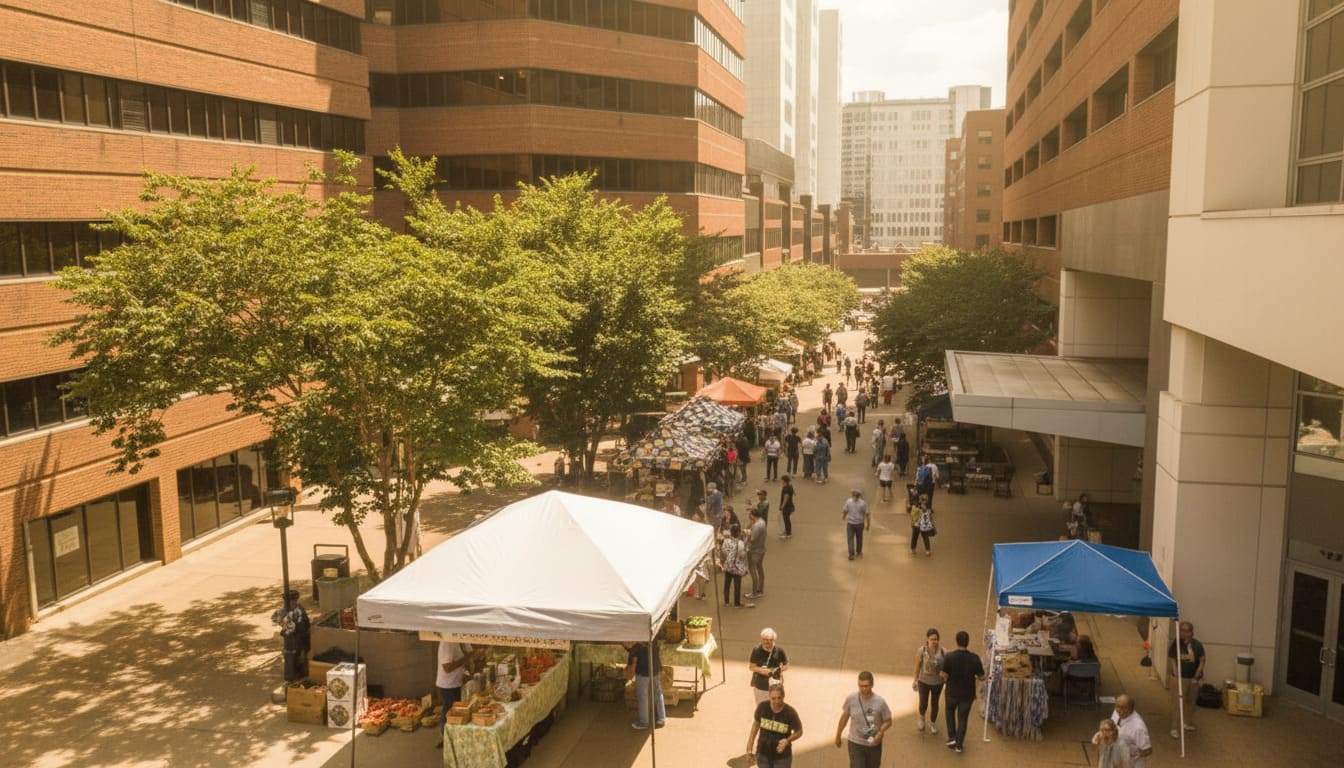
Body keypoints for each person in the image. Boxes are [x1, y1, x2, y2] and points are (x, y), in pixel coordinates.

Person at [835, 671, 892, 768]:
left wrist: (881, 732)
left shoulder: (880, 702)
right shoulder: (851, 699)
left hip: (874, 744)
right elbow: (844, 717)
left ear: (872, 685)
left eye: (866, 686)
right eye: (860, 686)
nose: (863, 689)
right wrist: (838, 735)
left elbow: (888, 721)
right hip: (855, 742)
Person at [940, 630, 985, 754]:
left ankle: (952, 737)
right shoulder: (975, 658)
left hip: (951, 692)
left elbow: (943, 674)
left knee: (949, 714)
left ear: (957, 641)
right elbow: (981, 676)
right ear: (968, 642)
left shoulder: (949, 657)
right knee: (963, 719)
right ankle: (959, 745)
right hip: (967, 695)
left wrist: (946, 679)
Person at [435, 640, 482, 744]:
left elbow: (470, 653)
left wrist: (476, 656)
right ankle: (445, 738)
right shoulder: (447, 642)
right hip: (448, 684)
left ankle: (454, 737)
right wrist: (466, 659)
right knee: (449, 711)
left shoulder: (462, 637)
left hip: (457, 682)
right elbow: (447, 667)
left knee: (458, 712)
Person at [746, 683, 802, 768]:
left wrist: (787, 741)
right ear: (769, 696)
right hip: (762, 755)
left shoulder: (790, 712)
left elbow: (799, 731)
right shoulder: (762, 707)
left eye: (779, 698)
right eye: (773, 698)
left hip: (782, 759)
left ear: (784, 696)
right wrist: (749, 748)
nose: (777, 701)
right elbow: (755, 726)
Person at [1168, 621, 1205, 739]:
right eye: (1182, 630)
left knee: (1191, 702)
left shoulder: (1197, 645)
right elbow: (1172, 659)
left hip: (1193, 679)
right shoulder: (1176, 644)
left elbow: (1202, 661)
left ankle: (1187, 723)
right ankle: (1174, 728)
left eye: (1187, 631)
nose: (1184, 633)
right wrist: (1176, 674)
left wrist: (1196, 676)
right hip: (1179, 678)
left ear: (1192, 632)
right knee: (1177, 703)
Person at [625, 640, 666, 730]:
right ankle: (662, 718)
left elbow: (629, 669)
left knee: (642, 696)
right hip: (655, 667)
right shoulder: (653, 637)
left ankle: (643, 722)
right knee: (658, 692)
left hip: (643, 671)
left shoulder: (635, 649)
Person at [272, 589, 311, 683]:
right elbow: (274, 617)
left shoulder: (299, 610)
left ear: (296, 600)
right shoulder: (284, 609)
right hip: (289, 638)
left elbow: (304, 625)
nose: (291, 603)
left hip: (300, 637)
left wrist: (293, 624)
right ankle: (290, 677)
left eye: (293, 601)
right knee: (289, 656)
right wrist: (283, 623)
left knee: (300, 656)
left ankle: (301, 675)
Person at [912, 628, 945, 734]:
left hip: (937, 683)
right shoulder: (922, 651)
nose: (934, 642)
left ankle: (933, 723)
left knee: (935, 704)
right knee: (923, 703)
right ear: (927, 639)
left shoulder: (943, 652)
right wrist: (915, 680)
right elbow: (917, 666)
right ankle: (921, 718)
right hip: (924, 682)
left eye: (935, 639)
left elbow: (946, 668)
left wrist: (945, 676)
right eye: (931, 639)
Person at [748, 628, 789, 704]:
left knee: (776, 707)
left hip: (775, 686)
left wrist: (778, 670)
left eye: (770, 640)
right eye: (765, 639)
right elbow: (751, 667)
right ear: (762, 639)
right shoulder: (756, 650)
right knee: (762, 707)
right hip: (760, 685)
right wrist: (762, 670)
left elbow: (786, 665)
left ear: (774, 640)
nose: (767, 642)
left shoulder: (779, 651)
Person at [1110, 694, 1153, 768]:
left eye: (1124, 708)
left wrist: (1131, 754)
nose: (1120, 711)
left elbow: (1148, 750)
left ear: (1132, 708)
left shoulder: (1138, 727)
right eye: (1118, 707)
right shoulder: (1116, 712)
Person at [717, 522, 751, 608]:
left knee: (727, 584)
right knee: (737, 585)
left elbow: (724, 552)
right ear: (739, 532)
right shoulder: (740, 543)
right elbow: (742, 556)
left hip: (728, 565)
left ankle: (726, 601)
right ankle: (736, 603)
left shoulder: (726, 541)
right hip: (737, 567)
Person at [842, 488, 870, 561]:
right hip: (859, 523)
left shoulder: (848, 501)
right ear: (859, 496)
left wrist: (844, 517)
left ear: (852, 495)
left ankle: (851, 554)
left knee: (850, 539)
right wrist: (868, 525)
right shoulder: (863, 503)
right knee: (859, 538)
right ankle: (859, 552)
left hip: (850, 523)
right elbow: (867, 514)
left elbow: (845, 510)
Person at [747, 507, 767, 599]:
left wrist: (747, 535)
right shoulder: (762, 522)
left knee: (753, 570)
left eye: (750, 514)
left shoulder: (756, 526)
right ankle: (760, 589)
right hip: (761, 549)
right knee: (760, 568)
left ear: (752, 515)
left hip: (755, 551)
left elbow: (753, 540)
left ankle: (754, 592)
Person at [778, 475, 796, 540]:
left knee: (786, 520)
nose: (781, 481)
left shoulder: (786, 488)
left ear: (784, 480)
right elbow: (793, 493)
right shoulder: (789, 486)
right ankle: (787, 531)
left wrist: (782, 506)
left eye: (781, 480)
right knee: (787, 519)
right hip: (789, 506)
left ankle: (788, 533)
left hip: (787, 507)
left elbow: (786, 497)